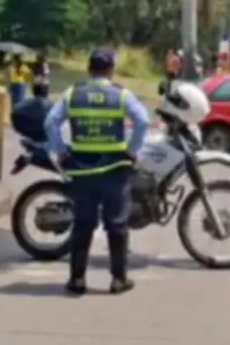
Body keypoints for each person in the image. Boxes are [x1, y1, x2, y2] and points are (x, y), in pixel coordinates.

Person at [44, 47, 150, 295]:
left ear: (89, 69)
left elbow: (50, 122)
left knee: (83, 224)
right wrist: (133, 150)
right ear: (111, 70)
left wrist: (60, 151)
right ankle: (118, 279)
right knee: (117, 224)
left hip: (82, 171)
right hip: (114, 169)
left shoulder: (72, 94)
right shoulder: (121, 96)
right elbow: (143, 121)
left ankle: (77, 279)